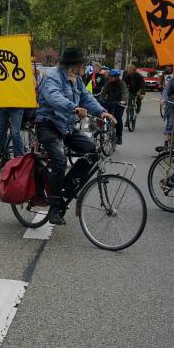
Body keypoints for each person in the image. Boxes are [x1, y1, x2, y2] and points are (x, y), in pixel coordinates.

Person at [36, 47, 116, 225]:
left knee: (93, 151)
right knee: (59, 160)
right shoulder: (52, 76)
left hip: (67, 127)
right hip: (48, 125)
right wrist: (73, 107)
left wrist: (103, 112)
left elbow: (87, 98)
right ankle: (54, 208)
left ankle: (66, 184)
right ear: (72, 64)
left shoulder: (77, 80)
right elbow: (53, 97)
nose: (84, 66)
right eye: (81, 63)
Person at [99, 69, 128, 145]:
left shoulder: (122, 83)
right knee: (105, 116)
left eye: (112, 77)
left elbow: (124, 93)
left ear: (117, 77)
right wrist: (101, 100)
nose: (110, 78)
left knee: (118, 118)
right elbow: (103, 94)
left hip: (119, 103)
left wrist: (123, 100)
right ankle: (104, 131)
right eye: (110, 76)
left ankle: (119, 136)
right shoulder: (108, 83)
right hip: (110, 102)